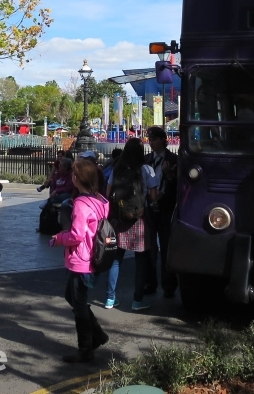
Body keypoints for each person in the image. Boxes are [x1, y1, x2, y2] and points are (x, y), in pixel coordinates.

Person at [49, 158, 110, 364]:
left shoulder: (81, 204)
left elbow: (76, 235)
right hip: (94, 255)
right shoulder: (100, 200)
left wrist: (58, 239)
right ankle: (97, 335)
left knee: (79, 303)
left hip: (82, 258)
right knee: (73, 297)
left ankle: (86, 347)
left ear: (77, 178)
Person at [105, 137, 158, 311]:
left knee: (116, 260)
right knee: (140, 261)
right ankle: (137, 301)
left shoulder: (117, 169)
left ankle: (110, 298)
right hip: (138, 219)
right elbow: (153, 197)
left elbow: (108, 193)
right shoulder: (147, 169)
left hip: (119, 219)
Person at [143, 126, 178, 299]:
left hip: (165, 208)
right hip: (149, 208)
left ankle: (169, 285)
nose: (151, 143)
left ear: (163, 140)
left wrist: (170, 176)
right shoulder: (147, 160)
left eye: (155, 139)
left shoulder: (174, 159)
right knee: (150, 248)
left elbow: (180, 186)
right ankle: (150, 282)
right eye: (150, 140)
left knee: (166, 247)